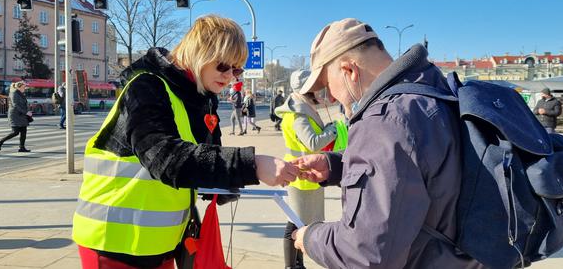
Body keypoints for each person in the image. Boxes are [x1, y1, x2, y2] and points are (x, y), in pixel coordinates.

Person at [71, 15, 299, 269]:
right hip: (113, 243)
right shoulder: (146, 87)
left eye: (237, 70)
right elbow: (166, 158)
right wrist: (251, 165)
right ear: (198, 52)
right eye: (223, 65)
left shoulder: (200, 96)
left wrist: (222, 181)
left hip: (161, 243)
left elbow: (202, 158)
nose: (230, 77)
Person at [290, 18, 481, 268]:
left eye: (327, 85)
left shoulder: (384, 121)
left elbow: (366, 254)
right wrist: (337, 164)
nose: (330, 96)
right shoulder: (432, 93)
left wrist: (311, 237)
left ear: (349, 71)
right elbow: (420, 165)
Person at [275, 70, 339, 269]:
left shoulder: (301, 108)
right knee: (293, 223)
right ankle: (290, 265)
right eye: (313, 87)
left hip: (303, 172)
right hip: (299, 174)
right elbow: (313, 143)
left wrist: (327, 128)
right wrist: (333, 130)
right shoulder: (298, 114)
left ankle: (297, 263)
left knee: (301, 223)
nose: (317, 92)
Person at [0, 81, 32, 152]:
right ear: (19, 86)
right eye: (24, 87)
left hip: (21, 115)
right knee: (15, 132)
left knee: (24, 131)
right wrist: (26, 112)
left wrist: (27, 111)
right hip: (15, 115)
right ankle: (0, 141)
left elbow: (23, 104)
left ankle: (22, 147)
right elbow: (15, 105)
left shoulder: (21, 94)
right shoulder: (13, 93)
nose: (25, 88)